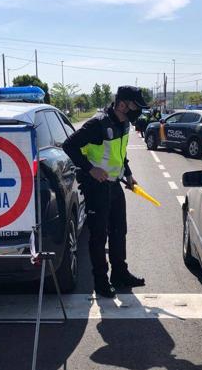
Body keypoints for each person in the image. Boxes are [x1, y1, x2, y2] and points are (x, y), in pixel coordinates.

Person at [62, 86, 148, 298]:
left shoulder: (124, 124)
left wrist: (127, 173)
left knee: (119, 232)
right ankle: (101, 281)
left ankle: (120, 274)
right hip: (97, 188)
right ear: (121, 105)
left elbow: (121, 153)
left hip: (115, 185)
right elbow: (69, 145)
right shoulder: (97, 125)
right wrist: (91, 169)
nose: (137, 110)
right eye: (135, 106)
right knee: (99, 237)